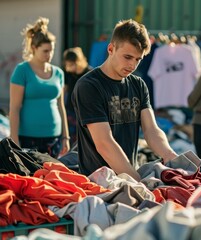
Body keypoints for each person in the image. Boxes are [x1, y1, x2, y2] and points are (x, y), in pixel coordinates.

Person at [72, 19, 178, 180]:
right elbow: (104, 143)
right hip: (98, 183)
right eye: (128, 57)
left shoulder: (138, 85)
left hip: (128, 176)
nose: (132, 65)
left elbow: (151, 130)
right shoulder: (88, 86)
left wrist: (171, 157)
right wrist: (137, 182)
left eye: (138, 59)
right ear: (111, 49)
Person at [9, 17, 70, 158]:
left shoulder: (59, 73)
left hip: (54, 138)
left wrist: (66, 137)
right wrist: (14, 140)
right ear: (34, 48)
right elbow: (14, 108)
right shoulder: (22, 70)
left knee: (50, 178)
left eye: (52, 50)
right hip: (27, 138)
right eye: (45, 51)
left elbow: (61, 106)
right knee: (30, 178)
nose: (49, 55)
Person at [63, 47, 92, 146]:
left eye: (71, 64)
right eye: (67, 64)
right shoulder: (69, 73)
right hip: (71, 110)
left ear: (78, 62)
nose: (68, 68)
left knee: (84, 141)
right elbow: (64, 90)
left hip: (85, 112)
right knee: (71, 140)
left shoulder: (89, 72)